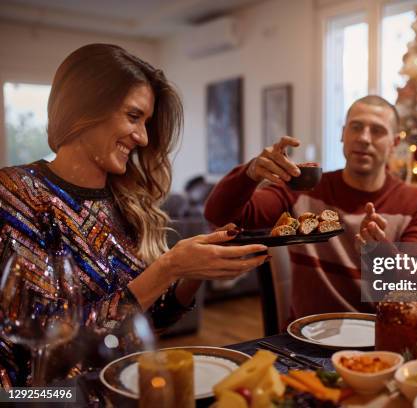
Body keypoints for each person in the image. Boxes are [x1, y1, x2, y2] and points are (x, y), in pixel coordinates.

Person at [0, 44, 268, 387]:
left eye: (146, 122)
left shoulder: (125, 202)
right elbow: (49, 349)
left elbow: (148, 322)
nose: (142, 137)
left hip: (128, 389)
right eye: (133, 116)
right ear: (84, 109)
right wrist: (168, 267)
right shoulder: (18, 195)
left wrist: (192, 272)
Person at [205, 95, 417, 320]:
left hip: (379, 338)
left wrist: (382, 254)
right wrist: (249, 173)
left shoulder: (414, 202)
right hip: (307, 339)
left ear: (395, 142)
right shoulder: (303, 188)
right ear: (343, 134)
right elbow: (219, 215)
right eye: (356, 127)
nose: (364, 138)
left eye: (377, 131)